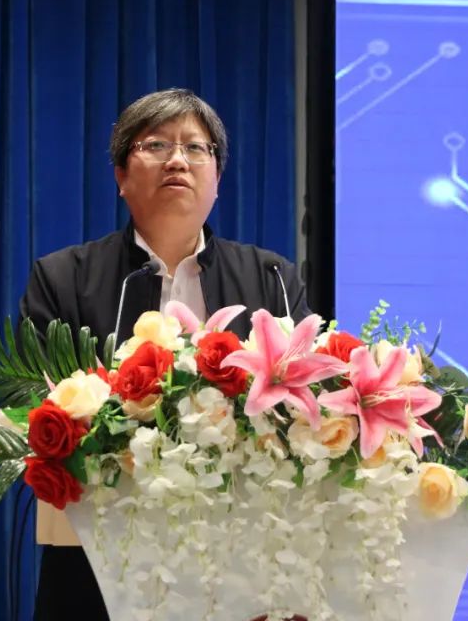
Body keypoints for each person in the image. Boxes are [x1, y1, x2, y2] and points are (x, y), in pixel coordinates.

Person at [19, 88, 311, 620]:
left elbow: (305, 408)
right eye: (156, 145)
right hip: (101, 565)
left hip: (244, 565)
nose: (178, 159)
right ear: (121, 176)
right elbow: (34, 407)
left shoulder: (272, 279)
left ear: (217, 180)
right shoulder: (63, 278)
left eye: (196, 148)